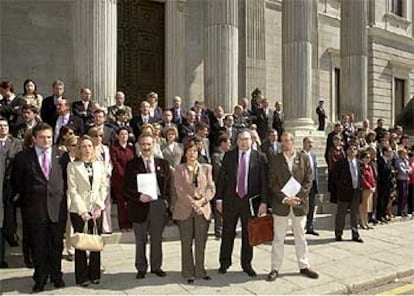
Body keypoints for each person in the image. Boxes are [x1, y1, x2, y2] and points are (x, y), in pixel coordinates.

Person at [11, 123, 67, 292]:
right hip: (34, 210)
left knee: (56, 245)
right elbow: (16, 182)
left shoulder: (61, 155)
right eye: (42, 137)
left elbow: (66, 181)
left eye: (49, 137)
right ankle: (40, 278)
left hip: (57, 208)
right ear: (34, 139)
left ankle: (56, 275)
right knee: (39, 246)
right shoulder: (22, 158)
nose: (46, 141)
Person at [266, 133, 318, 281]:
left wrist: (299, 197)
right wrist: (285, 199)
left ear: (293, 142)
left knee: (300, 237)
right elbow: (272, 183)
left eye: (287, 140)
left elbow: (309, 180)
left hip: (299, 205)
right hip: (281, 205)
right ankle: (275, 268)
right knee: (278, 238)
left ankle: (304, 266)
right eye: (282, 141)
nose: (285, 143)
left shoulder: (303, 158)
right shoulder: (276, 160)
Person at [216, 129, 268, 277]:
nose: (244, 142)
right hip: (231, 200)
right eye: (241, 139)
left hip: (249, 202)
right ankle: (224, 263)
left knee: (248, 234)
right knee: (227, 232)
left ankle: (246, 264)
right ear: (236, 141)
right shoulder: (229, 156)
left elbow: (264, 182)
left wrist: (264, 202)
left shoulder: (260, 157)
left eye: (247, 139)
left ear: (251, 141)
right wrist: (219, 199)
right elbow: (221, 179)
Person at [123, 133, 171, 279]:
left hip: (158, 206)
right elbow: (126, 188)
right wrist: (138, 196)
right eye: (143, 144)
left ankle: (156, 267)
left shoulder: (163, 164)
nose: (146, 147)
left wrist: (166, 201)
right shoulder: (132, 165)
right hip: (139, 205)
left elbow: (168, 185)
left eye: (149, 144)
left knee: (157, 238)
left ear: (154, 145)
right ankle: (141, 268)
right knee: (140, 239)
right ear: (139, 146)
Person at [173, 140, 215, 284]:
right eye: (189, 151)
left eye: (195, 151)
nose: (192, 153)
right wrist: (193, 203)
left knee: (201, 242)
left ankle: (200, 271)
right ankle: (188, 272)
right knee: (186, 242)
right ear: (185, 153)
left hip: (202, 209)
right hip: (185, 209)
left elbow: (211, 188)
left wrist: (202, 201)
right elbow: (179, 189)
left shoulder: (206, 168)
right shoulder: (179, 169)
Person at [67, 135, 107, 287]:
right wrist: (82, 211)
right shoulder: (72, 166)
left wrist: (98, 205)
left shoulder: (99, 165)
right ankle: (82, 276)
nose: (87, 149)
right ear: (78, 149)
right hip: (79, 210)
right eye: (83, 146)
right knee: (82, 244)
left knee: (95, 242)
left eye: (89, 146)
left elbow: (103, 186)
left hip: (96, 209)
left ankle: (95, 273)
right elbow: (73, 190)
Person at [0, 117, 23, 268]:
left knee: (7, 222)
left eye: (5, 125)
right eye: (0, 126)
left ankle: (11, 236)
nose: (3, 128)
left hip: (10, 188)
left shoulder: (16, 143)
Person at [334, 144, 364, 243]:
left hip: (356, 192)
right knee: (341, 214)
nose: (352, 150)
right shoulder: (341, 163)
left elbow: (361, 177)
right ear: (346, 151)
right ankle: (338, 233)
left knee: (354, 214)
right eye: (350, 149)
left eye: (354, 149)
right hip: (344, 192)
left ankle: (355, 234)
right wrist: (341, 187)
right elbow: (335, 178)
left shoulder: (359, 163)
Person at [110, 127, 135, 231]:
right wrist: (123, 175)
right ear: (118, 136)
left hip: (130, 179)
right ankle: (123, 224)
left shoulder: (131, 149)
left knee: (130, 202)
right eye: (122, 134)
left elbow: (134, 162)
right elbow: (115, 163)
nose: (124, 136)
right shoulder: (114, 148)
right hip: (119, 179)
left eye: (126, 134)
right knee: (120, 203)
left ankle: (130, 223)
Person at [88, 127, 113, 233]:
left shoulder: (106, 148)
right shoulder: (90, 149)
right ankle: (95, 226)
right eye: (95, 136)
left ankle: (107, 227)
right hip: (95, 179)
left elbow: (109, 162)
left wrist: (108, 171)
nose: (98, 138)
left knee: (106, 203)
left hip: (106, 179)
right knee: (96, 203)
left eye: (100, 136)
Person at [59, 134, 79, 262]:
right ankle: (70, 249)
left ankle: (82, 247)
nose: (76, 147)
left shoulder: (82, 158)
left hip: (82, 193)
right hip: (68, 192)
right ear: (68, 147)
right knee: (70, 223)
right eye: (73, 145)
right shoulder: (62, 160)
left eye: (78, 145)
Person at [210, 134, 232, 239]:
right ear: (222, 143)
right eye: (228, 143)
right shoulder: (216, 156)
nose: (230, 145)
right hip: (219, 185)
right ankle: (218, 230)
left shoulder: (229, 154)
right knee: (219, 208)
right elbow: (219, 170)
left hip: (229, 185)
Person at [302, 137, 319, 236]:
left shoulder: (313, 155)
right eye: (309, 142)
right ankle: (301, 226)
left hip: (313, 183)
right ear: (304, 143)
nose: (310, 144)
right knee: (303, 206)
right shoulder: (300, 155)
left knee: (312, 206)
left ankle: (310, 226)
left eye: (312, 142)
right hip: (304, 185)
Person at [360, 151, 376, 230]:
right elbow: (362, 178)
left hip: (370, 189)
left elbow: (372, 177)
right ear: (362, 158)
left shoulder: (369, 167)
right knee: (363, 206)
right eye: (366, 157)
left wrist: (373, 186)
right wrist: (369, 186)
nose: (368, 159)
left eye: (369, 157)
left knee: (368, 207)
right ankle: (362, 222)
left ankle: (366, 221)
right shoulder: (361, 167)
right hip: (365, 189)